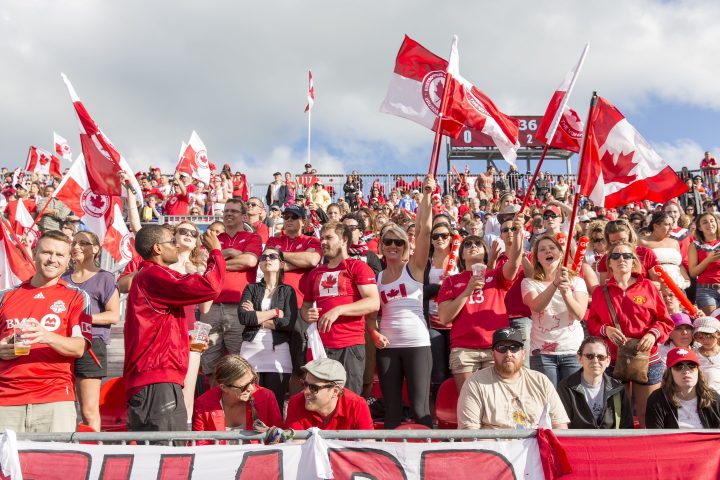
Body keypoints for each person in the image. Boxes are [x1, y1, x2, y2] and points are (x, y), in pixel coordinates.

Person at [124, 224, 225, 431]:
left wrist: (185, 342)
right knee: (166, 451)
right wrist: (216, 252)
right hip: (156, 378)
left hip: (158, 375)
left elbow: (155, 325)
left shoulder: (150, 276)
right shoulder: (153, 274)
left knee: (170, 448)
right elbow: (209, 288)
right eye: (171, 242)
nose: (176, 246)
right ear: (157, 249)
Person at [0, 230, 92, 433]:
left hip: (55, 401)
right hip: (5, 401)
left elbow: (79, 348)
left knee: (55, 465)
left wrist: (46, 336)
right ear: (34, 254)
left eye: (60, 255)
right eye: (47, 253)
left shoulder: (77, 297)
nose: (52, 260)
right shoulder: (5, 297)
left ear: (69, 260)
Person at [367, 175, 434, 429]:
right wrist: (373, 333)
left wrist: (426, 196)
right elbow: (371, 314)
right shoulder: (376, 277)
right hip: (387, 348)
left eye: (398, 242)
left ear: (405, 246)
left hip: (417, 344)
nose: (393, 246)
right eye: (388, 242)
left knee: (420, 409)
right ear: (381, 246)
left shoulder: (414, 268)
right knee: (392, 410)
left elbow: (424, 230)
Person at [586, 241, 674, 428]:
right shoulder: (601, 292)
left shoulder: (649, 286)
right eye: (615, 256)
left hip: (648, 358)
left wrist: (652, 334)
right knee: (618, 416)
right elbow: (592, 322)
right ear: (609, 263)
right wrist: (606, 330)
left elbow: (665, 320)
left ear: (634, 261)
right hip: (615, 358)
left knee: (647, 415)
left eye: (627, 255)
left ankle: (650, 455)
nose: (621, 260)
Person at [438, 215, 525, 393]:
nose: (473, 246)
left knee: (498, 399)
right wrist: (467, 291)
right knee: (469, 401)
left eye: (477, 244)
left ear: (485, 253)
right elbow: (445, 317)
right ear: (461, 254)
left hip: (496, 347)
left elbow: (515, 261)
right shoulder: (452, 281)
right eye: (467, 245)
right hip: (464, 349)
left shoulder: (496, 275)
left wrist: (518, 233)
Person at [300, 222, 380, 394]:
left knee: (348, 399)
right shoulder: (315, 273)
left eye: (329, 237)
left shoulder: (357, 267)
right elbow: (305, 307)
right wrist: (308, 314)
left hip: (349, 344)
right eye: (321, 238)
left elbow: (373, 302)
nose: (323, 242)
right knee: (321, 399)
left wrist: (338, 310)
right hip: (320, 346)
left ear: (344, 240)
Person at [61, 231, 120, 432]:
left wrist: (82, 318)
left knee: (88, 410)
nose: (76, 246)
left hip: (91, 344)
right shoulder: (62, 278)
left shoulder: (104, 277)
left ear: (96, 249)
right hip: (62, 344)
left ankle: (92, 451)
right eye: (74, 242)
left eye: (83, 243)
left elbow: (113, 315)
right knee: (64, 408)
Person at [457, 327, 569, 429]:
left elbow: (559, 425)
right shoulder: (475, 383)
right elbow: (469, 432)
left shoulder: (541, 381)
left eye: (514, 348)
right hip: (494, 448)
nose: (508, 354)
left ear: (523, 354)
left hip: (536, 447)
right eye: (502, 348)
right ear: (493, 354)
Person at [200, 198, 262, 377]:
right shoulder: (214, 239)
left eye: (234, 211)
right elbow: (204, 265)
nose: (228, 214)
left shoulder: (252, 237)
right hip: (211, 306)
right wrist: (233, 254)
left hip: (239, 306)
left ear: (244, 216)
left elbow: (250, 261)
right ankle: (212, 404)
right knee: (209, 363)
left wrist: (217, 259)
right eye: (226, 210)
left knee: (239, 363)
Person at [522, 235, 588, 387]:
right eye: (542, 250)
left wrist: (566, 293)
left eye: (552, 248)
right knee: (547, 402)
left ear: (560, 253)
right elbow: (536, 306)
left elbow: (579, 314)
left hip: (572, 350)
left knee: (572, 400)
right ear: (537, 257)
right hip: (542, 354)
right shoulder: (528, 283)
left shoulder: (577, 281)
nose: (547, 252)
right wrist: (554, 284)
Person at [238, 247, 298, 410]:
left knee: (275, 405)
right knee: (250, 404)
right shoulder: (251, 288)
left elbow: (288, 324)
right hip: (250, 348)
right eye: (263, 257)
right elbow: (244, 317)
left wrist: (257, 317)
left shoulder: (288, 291)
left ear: (282, 264)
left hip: (278, 350)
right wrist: (275, 312)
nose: (267, 259)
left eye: (272, 256)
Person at [167, 221, 209, 426]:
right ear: (173, 235)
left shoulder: (196, 270)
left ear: (196, 242)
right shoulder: (162, 266)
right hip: (165, 334)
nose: (188, 235)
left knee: (188, 390)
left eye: (193, 233)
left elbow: (206, 307)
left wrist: (201, 274)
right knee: (166, 388)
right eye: (182, 231)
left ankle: (184, 436)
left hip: (191, 333)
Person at [192, 354, 283, 442]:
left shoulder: (266, 396)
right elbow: (200, 444)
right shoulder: (203, 404)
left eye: (252, 381)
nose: (251, 388)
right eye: (244, 386)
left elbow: (280, 437)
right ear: (223, 387)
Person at [557, 336, 634, 429]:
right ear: (579, 358)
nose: (595, 361)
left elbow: (627, 427)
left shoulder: (618, 389)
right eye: (590, 356)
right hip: (578, 442)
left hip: (610, 442)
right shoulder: (566, 387)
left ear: (608, 361)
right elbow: (561, 426)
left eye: (601, 357)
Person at [284, 358, 374, 430]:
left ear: (335, 391)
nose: (306, 391)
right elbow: (294, 446)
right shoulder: (296, 402)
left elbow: (367, 447)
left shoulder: (357, 405)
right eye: (305, 384)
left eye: (313, 388)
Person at [645, 347, 720, 428]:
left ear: (698, 370)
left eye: (691, 365)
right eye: (679, 366)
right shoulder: (657, 399)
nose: (686, 371)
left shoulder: (712, 398)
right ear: (670, 373)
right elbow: (655, 437)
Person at [638, 212, 690, 290]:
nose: (671, 228)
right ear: (655, 226)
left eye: (672, 224)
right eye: (667, 224)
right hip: (657, 288)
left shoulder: (674, 243)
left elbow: (680, 265)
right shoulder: (642, 243)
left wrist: (687, 280)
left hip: (679, 287)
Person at [688, 212, 720, 315]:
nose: (709, 224)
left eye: (712, 221)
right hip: (706, 290)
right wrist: (708, 260)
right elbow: (693, 273)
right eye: (705, 222)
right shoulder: (694, 245)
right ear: (700, 228)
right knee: (712, 325)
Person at [693, 316, 720, 394]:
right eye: (700, 337)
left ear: (718, 334)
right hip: (702, 395)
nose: (705, 340)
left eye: (709, 336)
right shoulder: (694, 353)